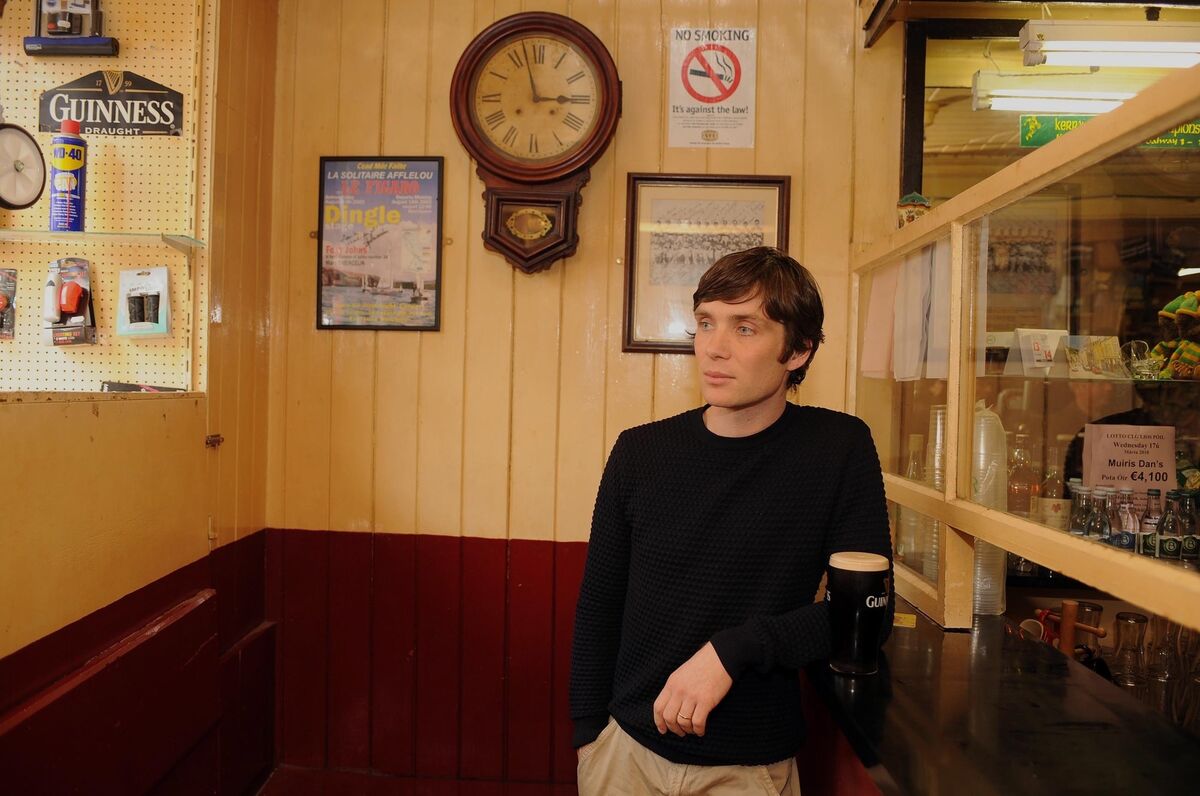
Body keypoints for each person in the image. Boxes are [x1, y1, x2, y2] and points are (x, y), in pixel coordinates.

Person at [570, 246, 894, 795]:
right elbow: (600, 604)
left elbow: (865, 615)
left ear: (798, 350)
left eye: (745, 328)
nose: (714, 348)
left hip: (748, 768)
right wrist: (589, 738)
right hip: (624, 755)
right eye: (706, 323)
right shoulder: (639, 452)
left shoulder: (838, 448)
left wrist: (736, 649)